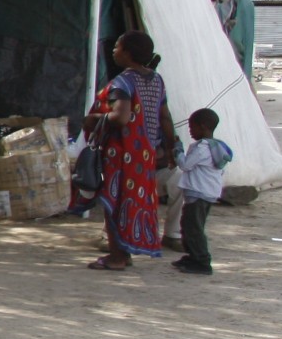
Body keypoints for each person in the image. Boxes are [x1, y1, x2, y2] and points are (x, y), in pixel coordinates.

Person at [77, 30, 177, 270]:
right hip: (145, 154)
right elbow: (165, 116)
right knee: (134, 201)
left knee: (116, 200)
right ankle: (125, 251)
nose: (114, 50)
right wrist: (171, 146)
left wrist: (94, 119)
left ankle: (117, 257)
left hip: (122, 153)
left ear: (128, 53)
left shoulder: (123, 82)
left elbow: (121, 117)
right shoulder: (156, 80)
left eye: (118, 47)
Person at [173, 108, 231, 276]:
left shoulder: (203, 148)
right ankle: (192, 256)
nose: (190, 131)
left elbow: (185, 165)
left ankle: (202, 261)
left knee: (194, 228)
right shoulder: (216, 147)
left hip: (198, 193)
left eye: (192, 127)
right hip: (206, 193)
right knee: (190, 225)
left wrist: (178, 150)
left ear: (203, 126)